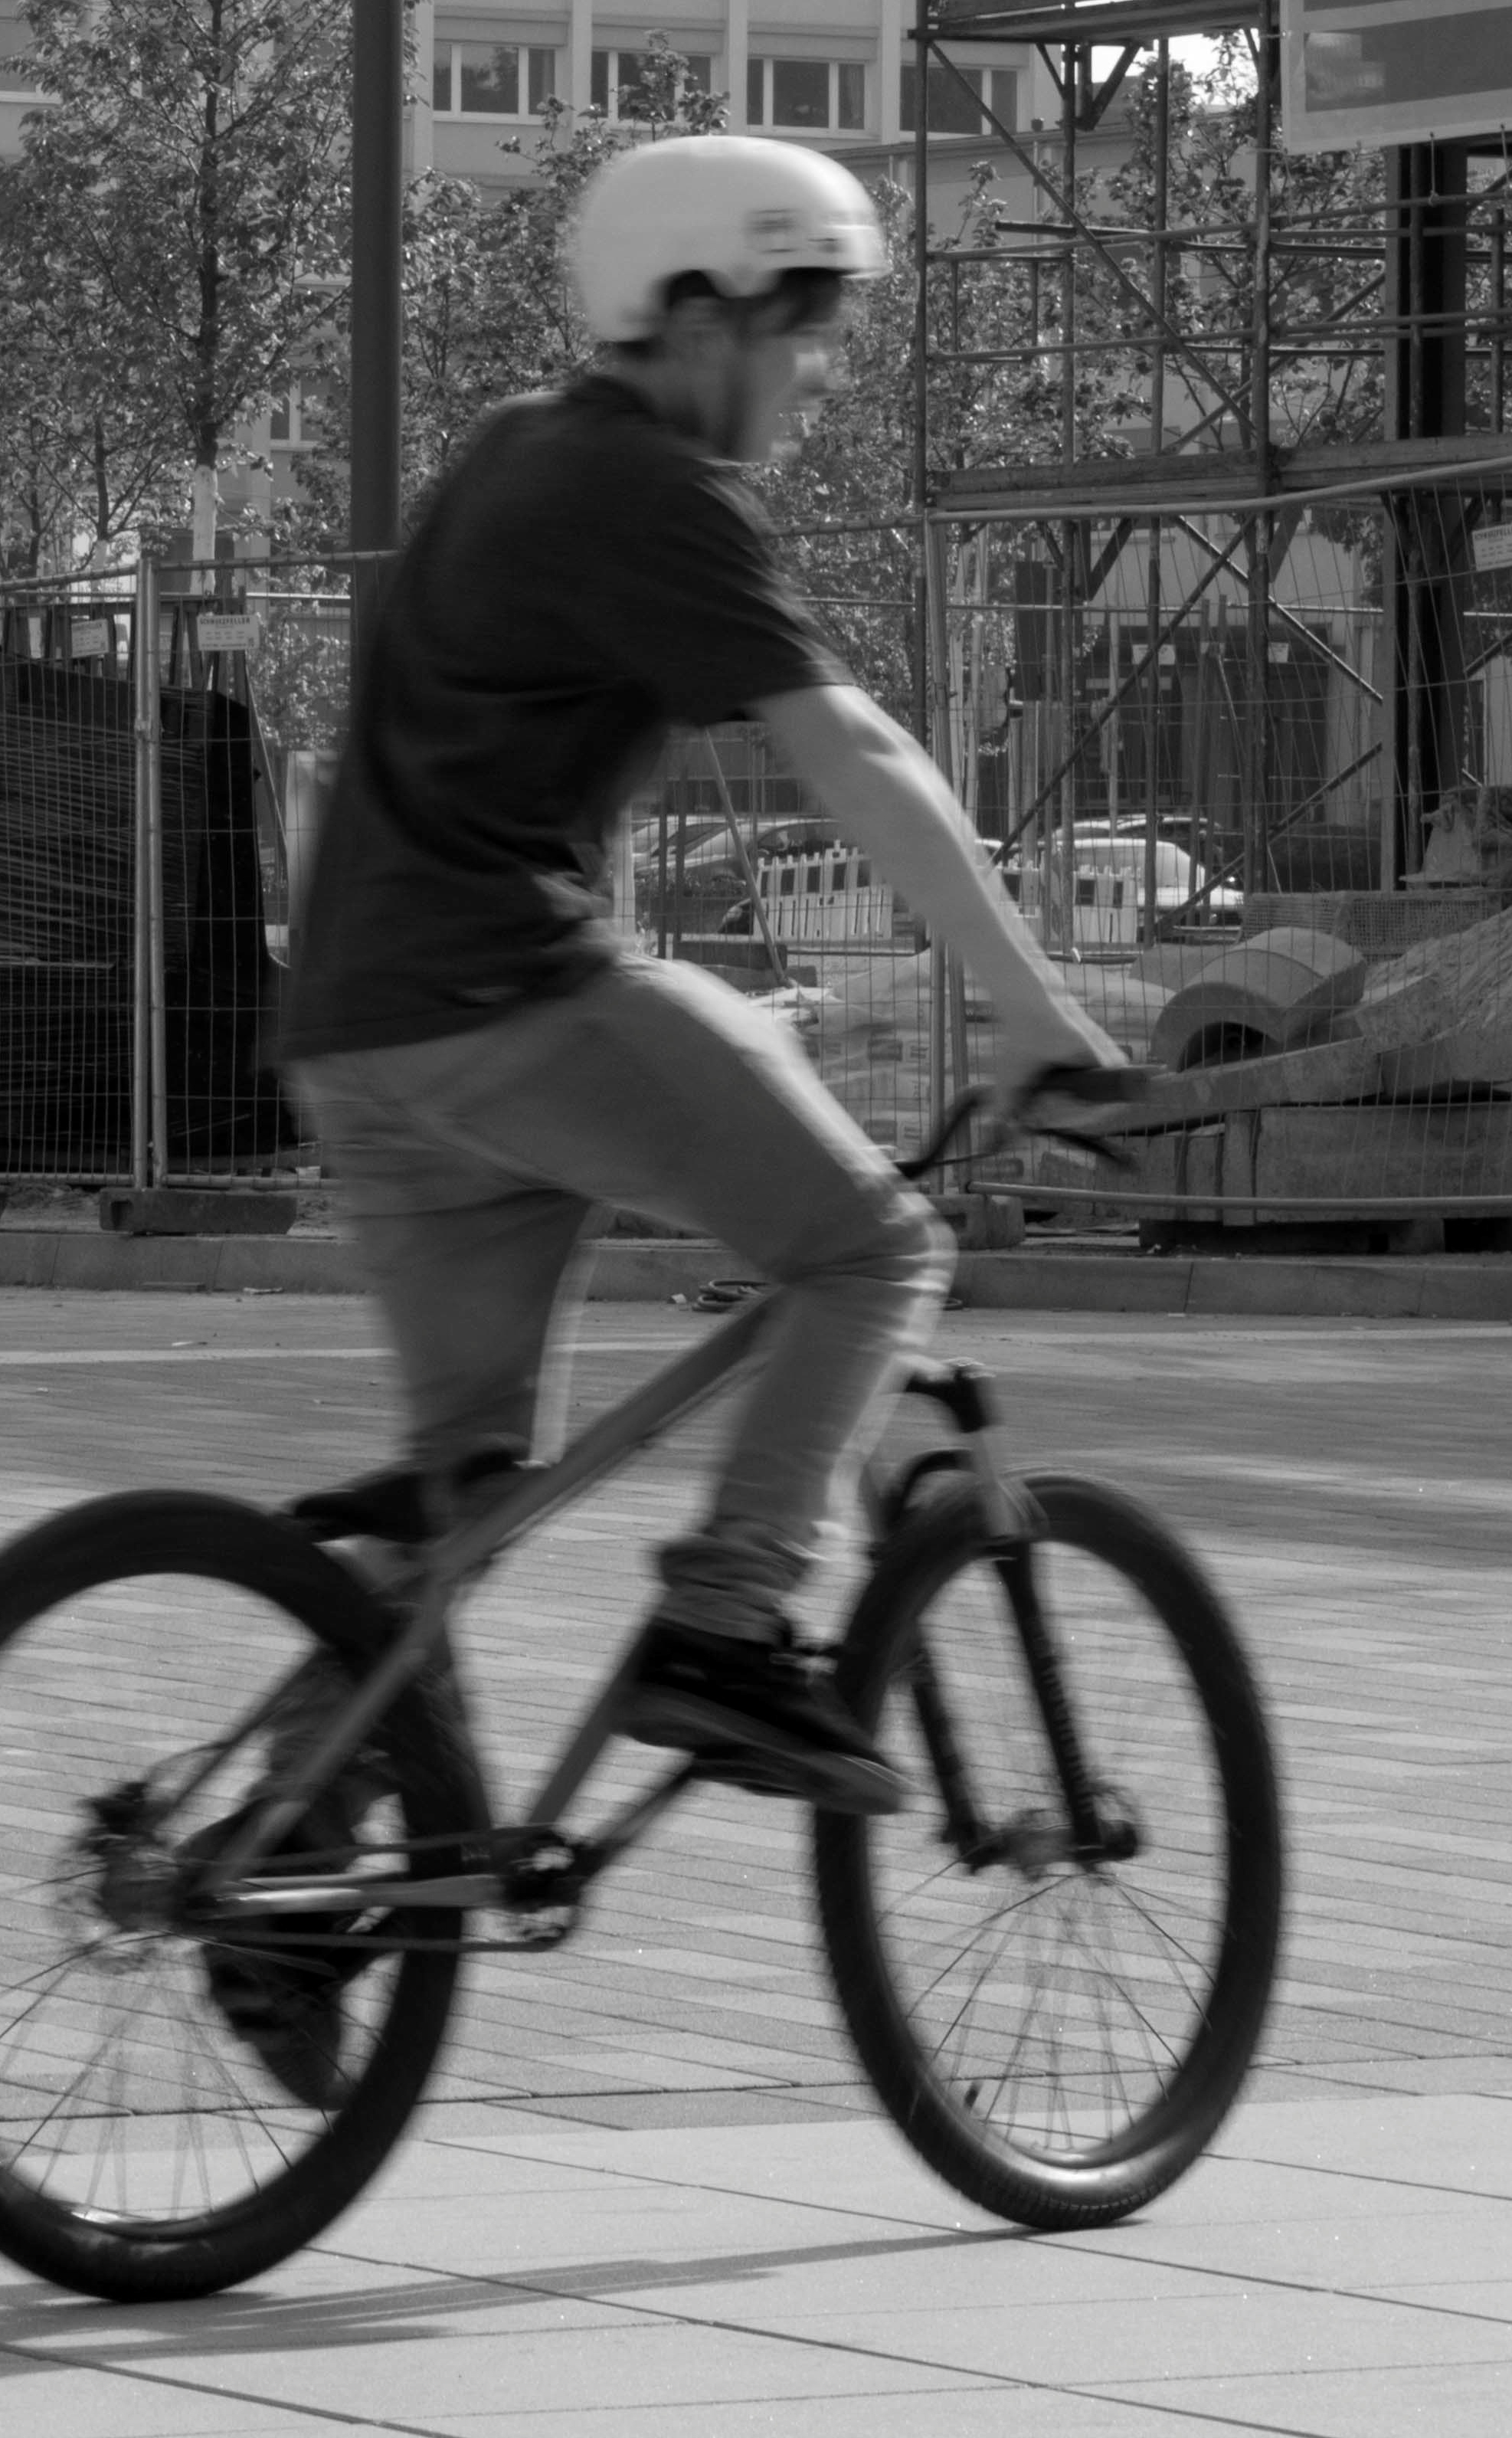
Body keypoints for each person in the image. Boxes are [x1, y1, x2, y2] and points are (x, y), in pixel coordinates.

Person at [279, 136, 1127, 1816]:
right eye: (797, 319)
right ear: (691, 310)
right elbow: (852, 749)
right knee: (877, 1249)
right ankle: (726, 1618)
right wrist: (1033, 1000)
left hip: (367, 1037)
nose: (816, 368)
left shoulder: (521, 450)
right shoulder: (645, 486)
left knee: (462, 1505)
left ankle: (272, 1863)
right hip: (497, 997)